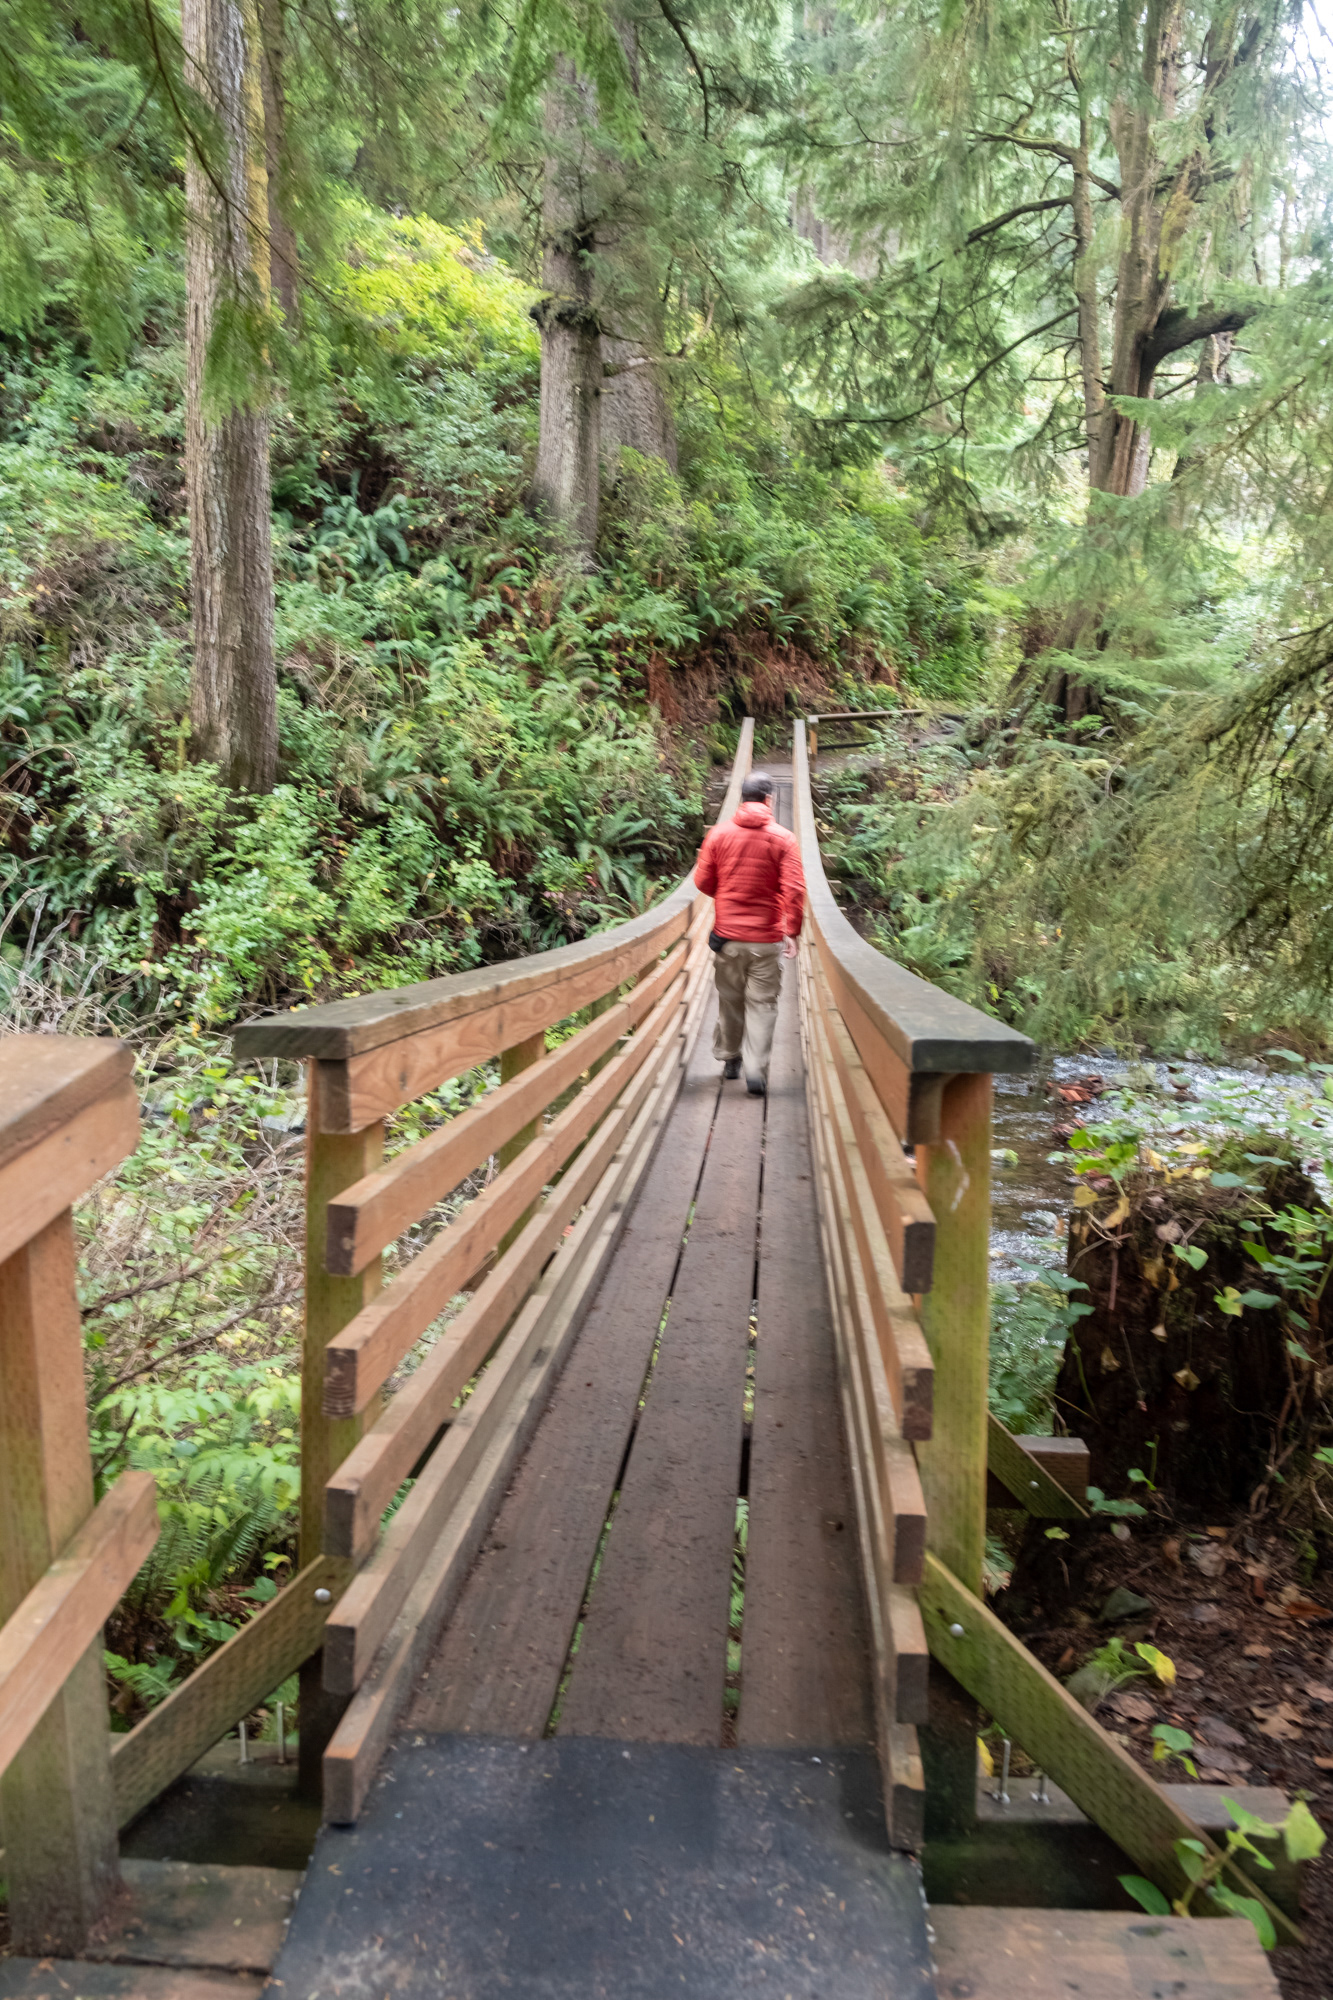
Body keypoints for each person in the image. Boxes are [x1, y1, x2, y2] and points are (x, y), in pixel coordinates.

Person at [692, 770, 805, 1095]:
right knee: (763, 1004)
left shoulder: (718, 834)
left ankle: (730, 1058)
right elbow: (794, 889)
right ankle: (756, 1069)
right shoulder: (784, 839)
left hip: (727, 937)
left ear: (742, 799)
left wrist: (727, 894)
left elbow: (702, 882)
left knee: (730, 999)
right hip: (767, 939)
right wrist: (792, 931)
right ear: (769, 799)